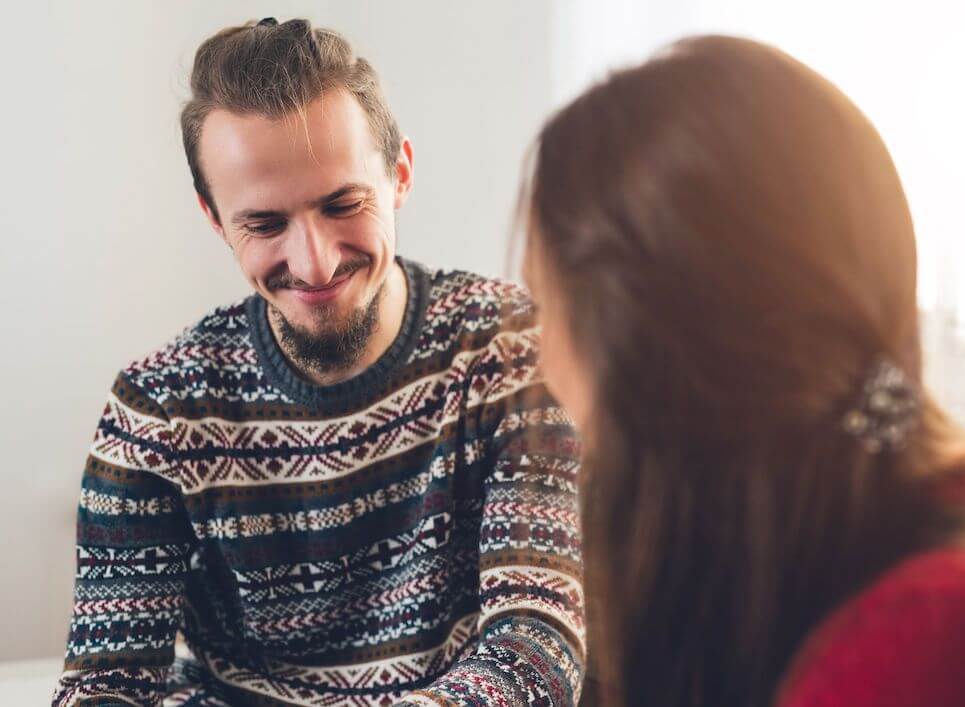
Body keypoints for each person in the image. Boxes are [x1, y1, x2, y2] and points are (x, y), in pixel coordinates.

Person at [54, 18, 584, 706]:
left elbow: (535, 641)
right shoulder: (159, 408)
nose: (316, 262)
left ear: (399, 174)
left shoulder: (511, 351)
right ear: (215, 218)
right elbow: (103, 689)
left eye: (343, 204)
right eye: (265, 224)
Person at [520, 35, 965, 707]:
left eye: (544, 305)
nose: (535, 360)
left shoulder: (919, 649)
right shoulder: (878, 549)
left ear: (648, 358)